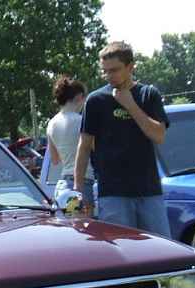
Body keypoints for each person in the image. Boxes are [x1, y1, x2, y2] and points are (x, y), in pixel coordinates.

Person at [73, 41, 171, 236]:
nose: (109, 76)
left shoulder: (148, 95)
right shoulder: (95, 100)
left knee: (160, 248)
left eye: (114, 70)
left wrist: (130, 105)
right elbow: (84, 147)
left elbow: (159, 136)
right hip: (112, 193)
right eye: (105, 71)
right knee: (121, 249)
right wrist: (78, 189)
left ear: (130, 66)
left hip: (149, 192)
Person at [46, 76, 95, 215]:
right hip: (82, 184)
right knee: (85, 225)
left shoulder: (51, 124)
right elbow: (95, 149)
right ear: (79, 97)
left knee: (71, 224)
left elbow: (55, 160)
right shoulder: (82, 121)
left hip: (62, 185)